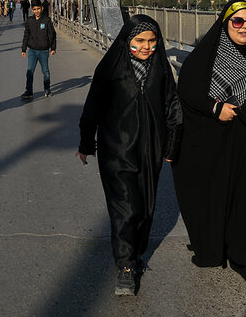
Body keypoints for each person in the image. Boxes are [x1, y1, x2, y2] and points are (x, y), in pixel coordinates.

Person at [172, 0, 246, 298]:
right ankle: (214, 246)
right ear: (225, 24)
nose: (245, 27)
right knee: (216, 196)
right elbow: (188, 90)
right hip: (217, 143)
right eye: (238, 22)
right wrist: (215, 108)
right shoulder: (205, 58)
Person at [77, 15, 182, 297]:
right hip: (116, 149)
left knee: (145, 207)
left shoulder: (160, 68)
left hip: (151, 149)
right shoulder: (111, 67)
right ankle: (126, 267)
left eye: (152, 41)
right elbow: (93, 107)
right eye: (139, 41)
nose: (147, 47)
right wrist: (87, 143)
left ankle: (135, 254)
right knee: (126, 206)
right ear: (127, 41)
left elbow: (172, 107)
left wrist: (172, 146)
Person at [21, 0, 56, 100]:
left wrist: (53, 48)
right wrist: (23, 49)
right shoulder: (29, 20)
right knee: (29, 71)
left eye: (38, 9)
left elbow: (52, 35)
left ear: (42, 8)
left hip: (43, 51)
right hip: (32, 50)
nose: (37, 11)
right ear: (32, 10)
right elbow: (26, 35)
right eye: (34, 9)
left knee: (45, 71)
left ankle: (47, 89)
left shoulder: (46, 20)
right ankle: (29, 91)